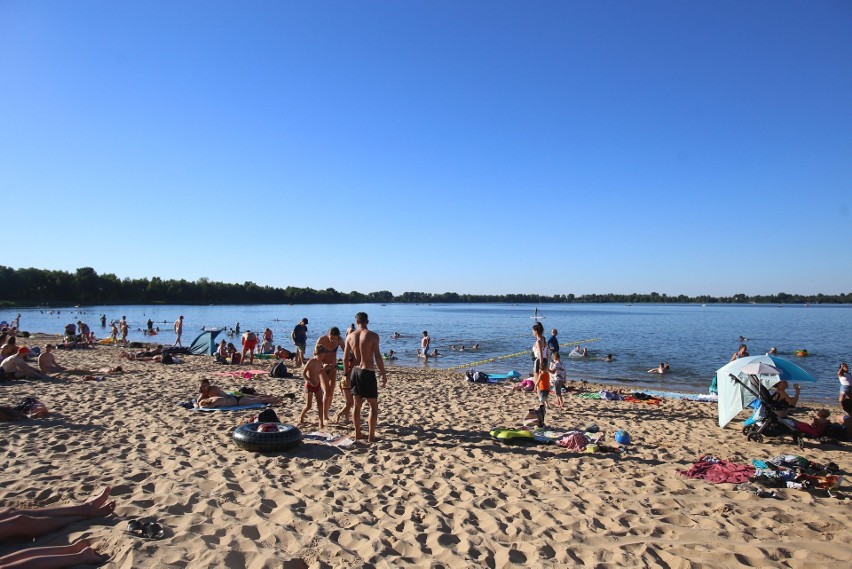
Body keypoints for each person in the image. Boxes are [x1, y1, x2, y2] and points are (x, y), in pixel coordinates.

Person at [343, 312, 388, 442]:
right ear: (367, 321)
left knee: (357, 405)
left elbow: (345, 358)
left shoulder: (350, 336)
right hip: (367, 372)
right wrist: (383, 373)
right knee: (373, 405)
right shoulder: (373, 336)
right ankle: (371, 436)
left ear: (357, 322)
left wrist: (346, 374)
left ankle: (358, 433)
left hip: (355, 372)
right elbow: (378, 357)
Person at [315, 327, 345, 423]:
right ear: (328, 334)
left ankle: (326, 412)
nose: (332, 340)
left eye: (334, 339)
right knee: (327, 391)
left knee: (331, 393)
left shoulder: (340, 340)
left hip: (333, 367)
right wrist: (322, 365)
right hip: (323, 367)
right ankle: (324, 416)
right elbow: (315, 354)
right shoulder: (322, 339)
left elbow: (347, 352)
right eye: (331, 338)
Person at [299, 346, 332, 428]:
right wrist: (310, 381)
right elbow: (303, 374)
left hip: (317, 385)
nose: (322, 357)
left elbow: (318, 372)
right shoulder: (311, 361)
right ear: (317, 354)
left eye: (323, 356)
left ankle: (321, 422)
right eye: (321, 356)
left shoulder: (320, 362)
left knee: (320, 404)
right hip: (309, 385)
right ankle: (301, 416)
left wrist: (324, 368)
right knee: (309, 406)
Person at [196, 378, 283, 408]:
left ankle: (274, 399)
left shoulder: (214, 389)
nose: (203, 388)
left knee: (256, 399)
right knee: (256, 399)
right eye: (202, 386)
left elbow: (225, 396)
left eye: (205, 386)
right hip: (235, 399)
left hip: (233, 397)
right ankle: (274, 399)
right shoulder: (203, 394)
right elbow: (197, 403)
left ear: (208, 385)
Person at [531, 322, 549, 388]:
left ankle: (540, 397)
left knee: (537, 382)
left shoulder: (538, 342)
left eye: (533, 331)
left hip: (538, 361)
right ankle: (541, 396)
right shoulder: (544, 339)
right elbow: (547, 352)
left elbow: (540, 354)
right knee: (542, 381)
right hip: (544, 360)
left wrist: (541, 366)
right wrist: (546, 363)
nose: (532, 332)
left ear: (536, 331)